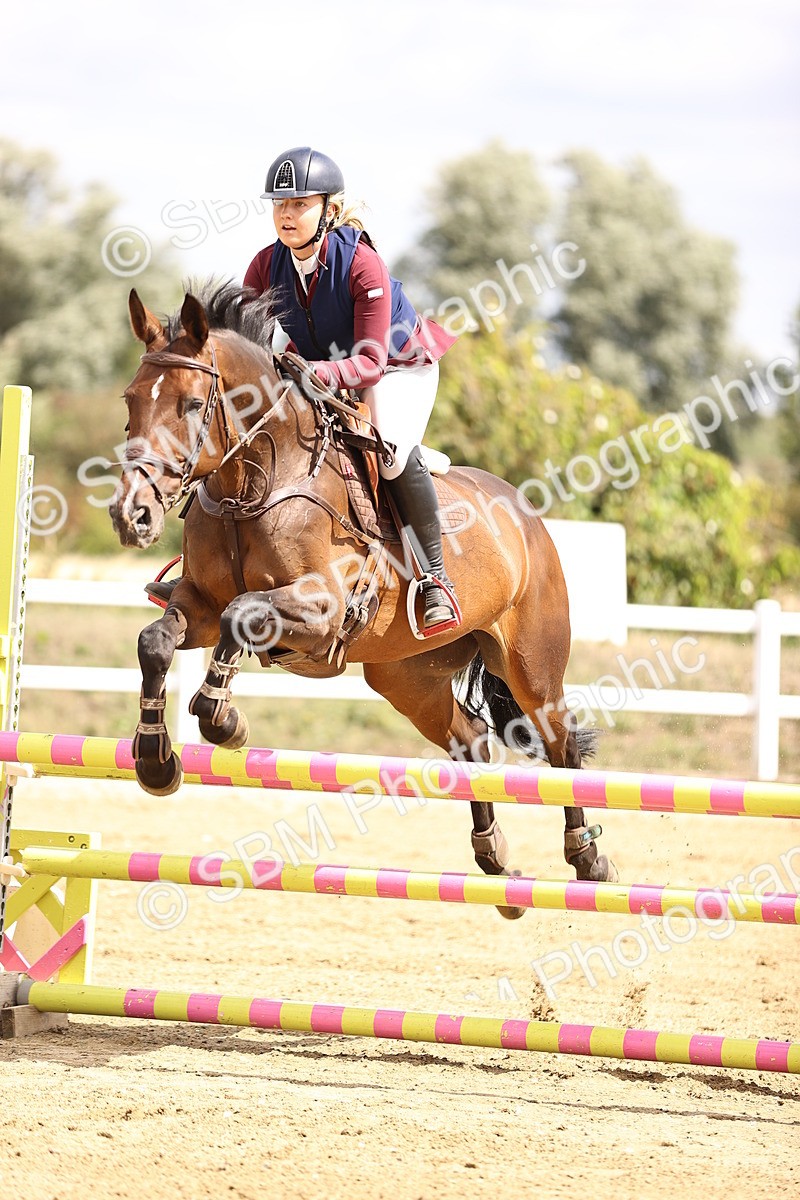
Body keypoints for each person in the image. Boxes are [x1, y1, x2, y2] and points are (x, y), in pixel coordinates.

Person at [242, 145, 460, 635]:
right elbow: (246, 342)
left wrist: (310, 374)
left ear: (329, 210)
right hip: (318, 368)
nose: (287, 214)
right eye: (280, 204)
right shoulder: (264, 266)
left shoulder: (362, 264)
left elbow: (368, 364)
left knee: (390, 454)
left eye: (300, 203)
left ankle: (434, 579)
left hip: (396, 368)